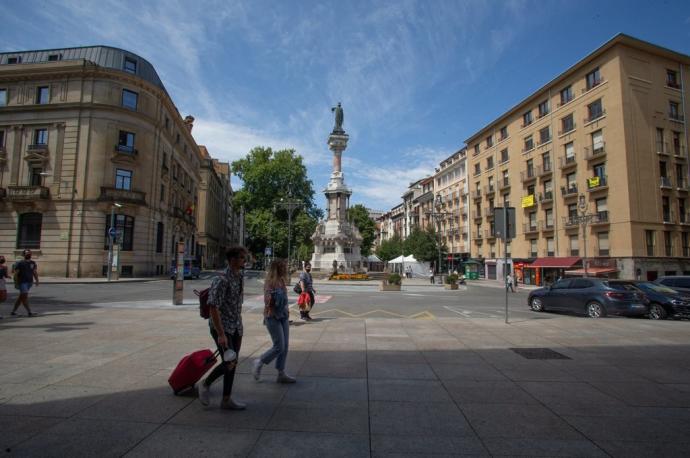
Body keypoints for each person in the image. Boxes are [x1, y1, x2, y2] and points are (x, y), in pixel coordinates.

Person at [198, 246, 248, 410]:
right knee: (229, 362)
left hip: (235, 326)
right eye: (241, 258)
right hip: (222, 326)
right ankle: (205, 384)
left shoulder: (239, 277)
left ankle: (226, 399)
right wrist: (221, 334)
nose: (244, 261)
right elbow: (213, 307)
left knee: (232, 362)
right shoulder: (221, 280)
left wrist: (239, 327)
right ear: (232, 260)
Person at [252, 260, 296, 384]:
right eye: (283, 267)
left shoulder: (282, 281)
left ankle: (281, 373)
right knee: (279, 346)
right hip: (272, 316)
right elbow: (267, 301)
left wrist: (286, 308)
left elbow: (285, 299)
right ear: (277, 269)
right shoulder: (269, 283)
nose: (285, 269)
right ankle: (259, 361)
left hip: (283, 316)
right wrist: (273, 299)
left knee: (285, 346)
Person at [11, 250, 38, 317]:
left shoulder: (33, 263)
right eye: (27, 253)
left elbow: (34, 272)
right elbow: (16, 274)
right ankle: (29, 312)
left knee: (21, 297)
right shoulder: (20, 263)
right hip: (22, 282)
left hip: (29, 282)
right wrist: (16, 282)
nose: (28, 254)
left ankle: (13, 311)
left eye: (29, 253)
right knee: (24, 297)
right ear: (24, 255)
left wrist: (37, 280)